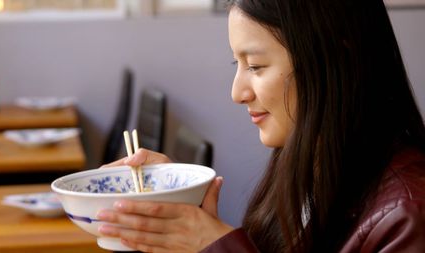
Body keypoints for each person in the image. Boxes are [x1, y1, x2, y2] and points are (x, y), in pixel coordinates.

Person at [98, 0, 425, 252]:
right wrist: (175, 220)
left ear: (337, 60)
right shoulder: (307, 162)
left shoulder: (408, 214)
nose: (237, 92)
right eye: (237, 63)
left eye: (255, 66)